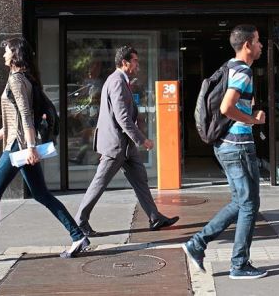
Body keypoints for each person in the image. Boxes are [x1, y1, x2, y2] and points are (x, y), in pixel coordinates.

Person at [0, 38, 89, 264]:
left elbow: (26, 117)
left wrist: (31, 147)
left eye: (6, 51)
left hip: (18, 146)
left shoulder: (16, 80)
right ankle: (78, 236)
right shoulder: (27, 78)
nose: (3, 55)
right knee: (41, 194)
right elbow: (14, 121)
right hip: (20, 143)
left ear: (15, 54)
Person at [182, 25, 268, 280]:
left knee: (242, 202)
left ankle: (198, 243)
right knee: (249, 204)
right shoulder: (243, 71)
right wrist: (253, 120)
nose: (261, 45)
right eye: (258, 41)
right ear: (247, 45)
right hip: (238, 145)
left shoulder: (228, 67)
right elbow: (226, 107)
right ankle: (238, 264)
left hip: (226, 145)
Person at [74, 45, 179, 236]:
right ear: (125, 62)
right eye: (135, 61)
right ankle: (80, 222)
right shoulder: (116, 82)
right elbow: (122, 117)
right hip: (115, 145)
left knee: (140, 180)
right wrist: (142, 140)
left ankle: (155, 217)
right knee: (99, 183)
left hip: (126, 146)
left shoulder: (121, 81)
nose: (138, 64)